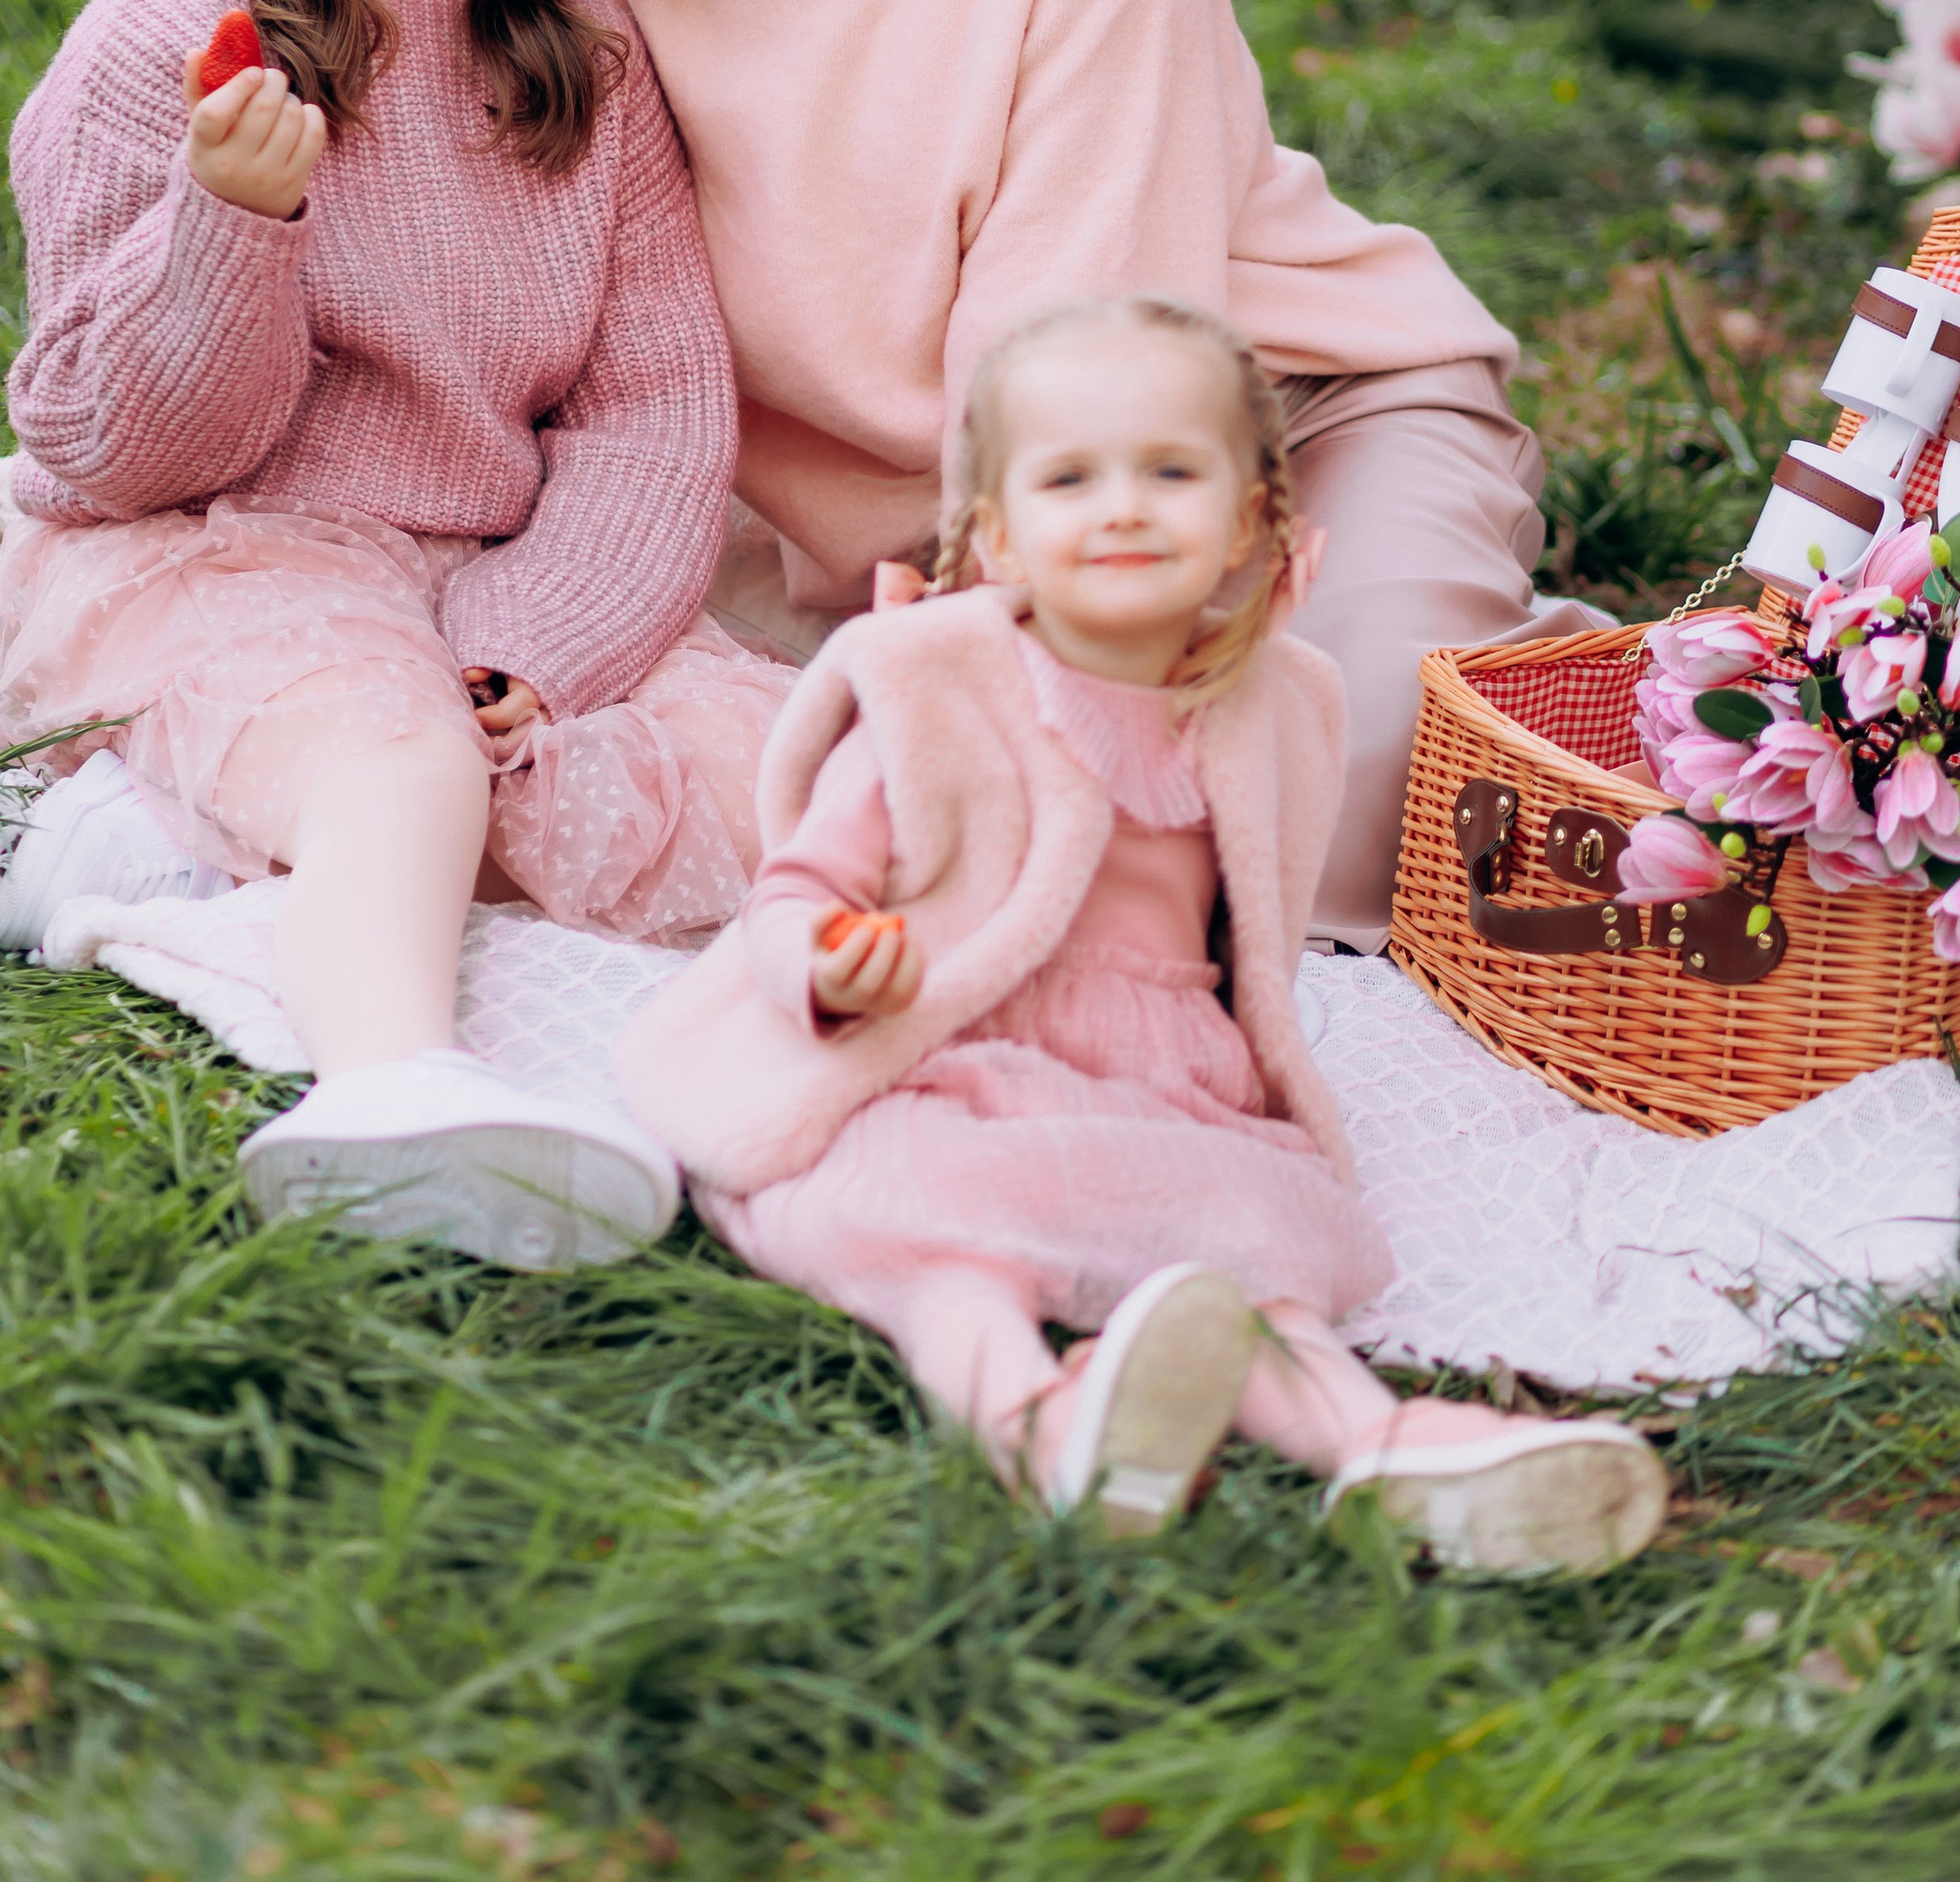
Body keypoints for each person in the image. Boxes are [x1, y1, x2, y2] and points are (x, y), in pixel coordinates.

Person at [117, 0, 1598, 949]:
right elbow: (411, 32)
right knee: (775, 821)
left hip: (1263, 429)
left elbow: (1075, 349)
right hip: (855, 547)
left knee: (1295, 822)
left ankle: (1648, 710)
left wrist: (997, 680)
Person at [0, 0, 790, 1265]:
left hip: (478, 563)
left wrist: (532, 642)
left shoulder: (578, 51)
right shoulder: (180, 24)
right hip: (215, 542)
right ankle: (392, 1084)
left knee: (754, 774)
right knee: (398, 753)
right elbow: (109, 451)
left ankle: (179, 857)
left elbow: (652, 404)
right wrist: (231, 223)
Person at [615, 297, 1666, 1562]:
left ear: (1251, 520)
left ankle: (1382, 1447)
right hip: (952, 1046)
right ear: (996, 535)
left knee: (1260, 1243)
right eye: (1070, 478)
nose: (1123, 507)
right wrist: (833, 969)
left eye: (1171, 472)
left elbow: (1251, 938)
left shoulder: (1269, 703)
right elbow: (797, 890)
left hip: (1166, 1074)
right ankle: (1034, 1420)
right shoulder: (945, 689)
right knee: (926, 1219)